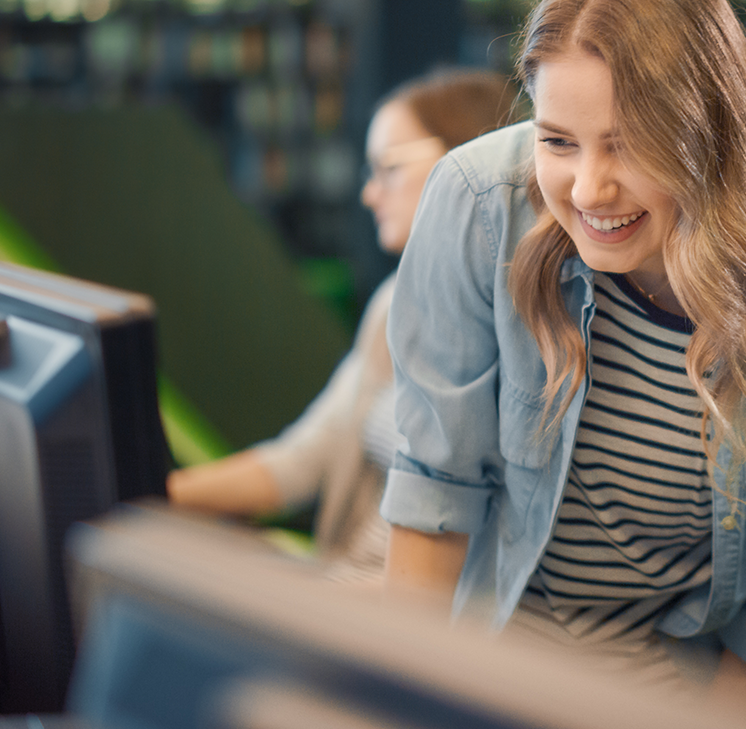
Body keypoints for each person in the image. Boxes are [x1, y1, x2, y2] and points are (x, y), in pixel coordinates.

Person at [380, 0, 746, 725]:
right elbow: (435, 496)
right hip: (502, 661)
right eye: (558, 141)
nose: (588, 190)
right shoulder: (479, 203)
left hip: (708, 688)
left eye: (631, 144)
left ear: (712, 135)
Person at [167, 69, 518, 584]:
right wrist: (144, 494)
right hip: (337, 585)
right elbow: (300, 460)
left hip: (400, 624)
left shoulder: (522, 334)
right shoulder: (394, 304)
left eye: (388, 169)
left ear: (466, 163)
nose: (370, 194)